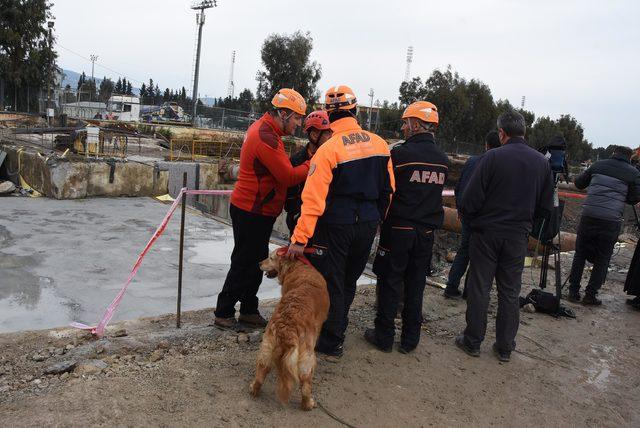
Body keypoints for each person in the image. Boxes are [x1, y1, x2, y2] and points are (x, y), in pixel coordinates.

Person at [286, 85, 395, 358]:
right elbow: (389, 190)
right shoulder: (380, 145)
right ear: (355, 111)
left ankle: (331, 340)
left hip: (336, 225)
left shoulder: (328, 149)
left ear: (328, 115)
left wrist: (299, 239)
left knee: (332, 281)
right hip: (367, 223)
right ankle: (338, 328)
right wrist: (378, 219)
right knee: (349, 280)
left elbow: (312, 200)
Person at [455, 110, 554, 362]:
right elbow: (545, 207)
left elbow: (470, 199)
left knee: (480, 287)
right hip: (517, 236)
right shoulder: (541, 163)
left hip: (486, 234)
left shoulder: (492, 158)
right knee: (510, 291)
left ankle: (473, 340)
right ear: (524, 132)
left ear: (501, 133)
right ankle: (504, 346)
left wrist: (471, 218)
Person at [214, 88, 310, 329]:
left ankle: (248, 309)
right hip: (252, 210)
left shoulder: (266, 130)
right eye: (297, 118)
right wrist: (314, 163)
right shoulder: (266, 136)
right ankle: (224, 311)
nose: (298, 124)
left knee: (255, 260)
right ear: (284, 113)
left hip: (255, 208)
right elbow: (288, 176)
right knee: (245, 262)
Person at [363, 101, 448, 354]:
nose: (402, 127)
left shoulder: (399, 155)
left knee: (390, 281)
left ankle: (384, 336)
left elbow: (386, 190)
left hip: (399, 229)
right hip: (427, 233)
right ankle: (411, 340)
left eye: (404, 122)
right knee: (415, 284)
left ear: (415, 124)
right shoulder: (442, 160)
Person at [567, 145, 640, 305]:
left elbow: (579, 183)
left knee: (580, 254)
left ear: (613, 153)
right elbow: (635, 198)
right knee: (603, 257)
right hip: (610, 220)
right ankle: (590, 295)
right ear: (629, 158)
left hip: (589, 216)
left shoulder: (597, 165)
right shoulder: (633, 173)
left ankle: (573, 292)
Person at [443, 130, 501, 299]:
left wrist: (461, 209)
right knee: (480, 256)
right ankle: (470, 292)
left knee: (464, 250)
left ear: (486, 144)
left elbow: (459, 187)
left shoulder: (472, 161)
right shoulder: (496, 165)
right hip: (484, 218)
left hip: (468, 214)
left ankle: (451, 286)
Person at [284, 110, 332, 236]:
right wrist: (297, 216)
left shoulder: (334, 160)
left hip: (325, 225)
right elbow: (290, 198)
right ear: (315, 135)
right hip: (299, 224)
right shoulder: (296, 161)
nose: (331, 138)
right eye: (327, 134)